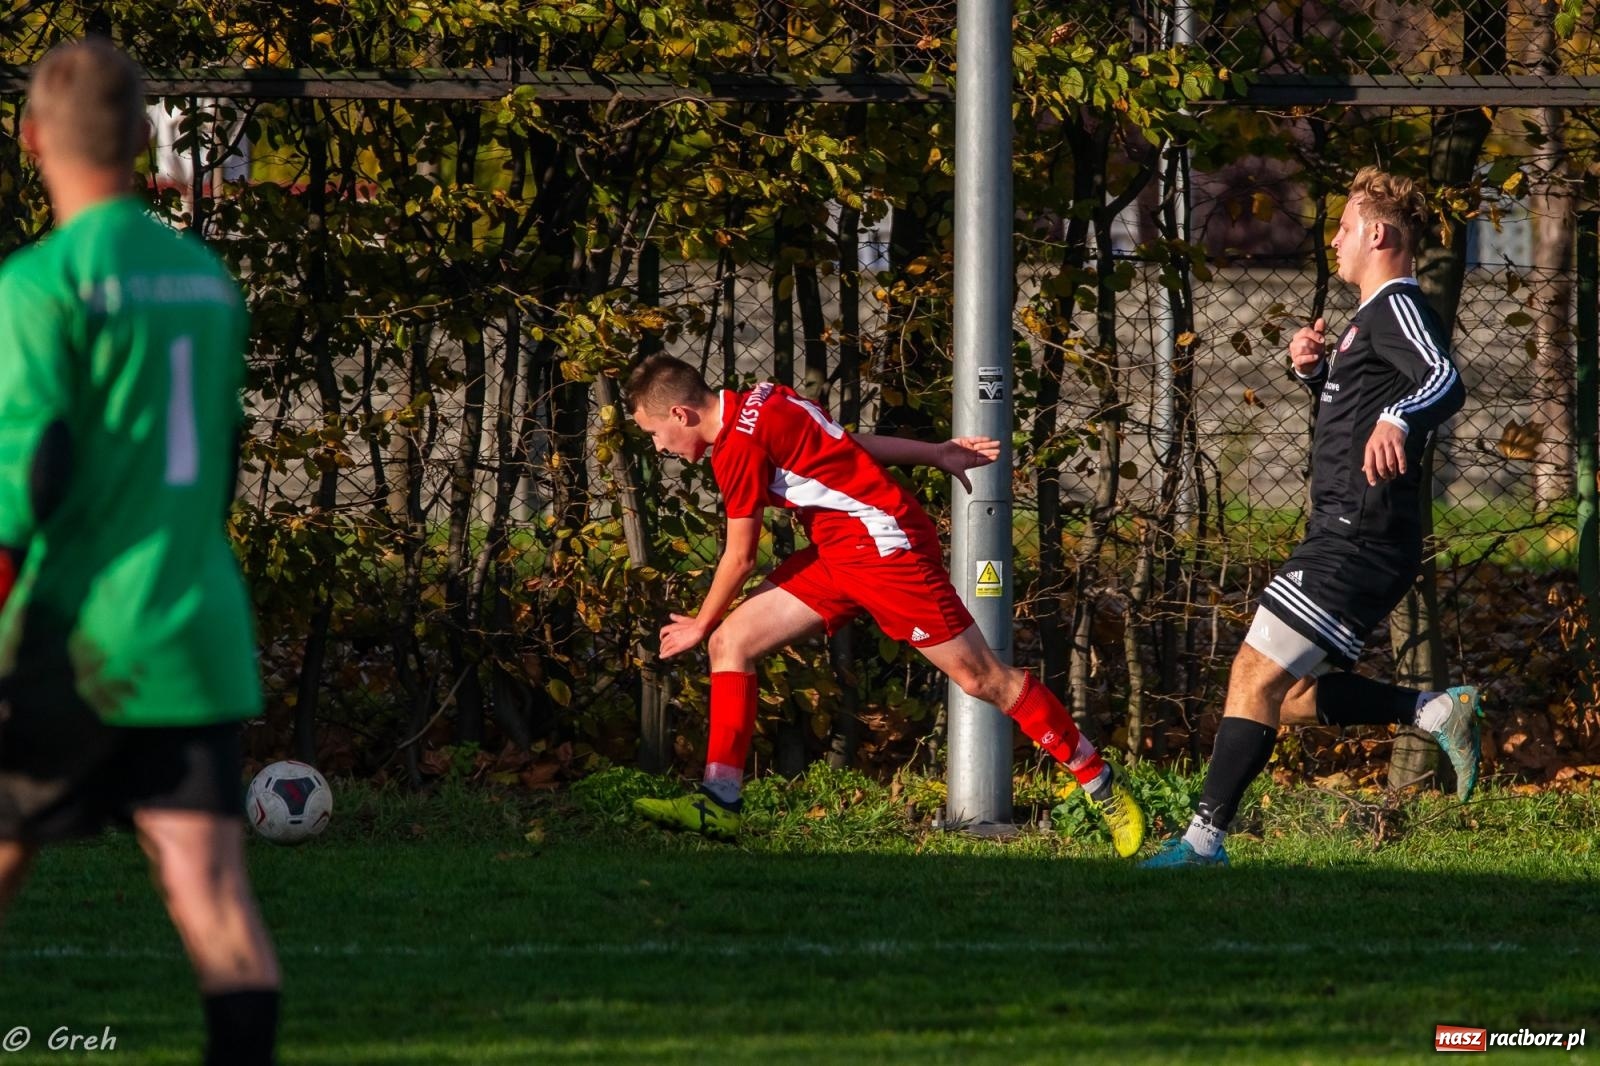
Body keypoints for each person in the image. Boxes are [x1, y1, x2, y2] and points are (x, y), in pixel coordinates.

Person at [0, 39, 279, 1064]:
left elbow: (22, 483)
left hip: (75, 636)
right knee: (213, 900)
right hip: (194, 625)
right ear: (141, 142)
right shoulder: (205, 281)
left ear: (32, 138)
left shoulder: (38, 286)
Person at [624, 354, 1147, 857]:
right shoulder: (763, 397)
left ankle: (1100, 785)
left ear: (680, 414)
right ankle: (720, 802)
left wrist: (698, 621)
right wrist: (935, 453)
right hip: (839, 551)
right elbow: (843, 446)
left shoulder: (736, 448)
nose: (659, 447)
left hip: (883, 549)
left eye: (654, 434)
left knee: (983, 679)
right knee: (731, 642)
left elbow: (739, 558)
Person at [1142, 166, 1480, 869]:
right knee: (1288, 696)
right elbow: (1368, 407)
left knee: (1250, 675)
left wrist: (1397, 414)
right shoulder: (1372, 318)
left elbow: (1443, 380)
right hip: (1347, 532)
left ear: (1379, 234)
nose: (1335, 241)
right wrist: (1315, 375)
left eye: (1345, 227)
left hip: (1358, 535)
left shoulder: (1399, 307)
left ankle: (1204, 841)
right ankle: (1430, 710)